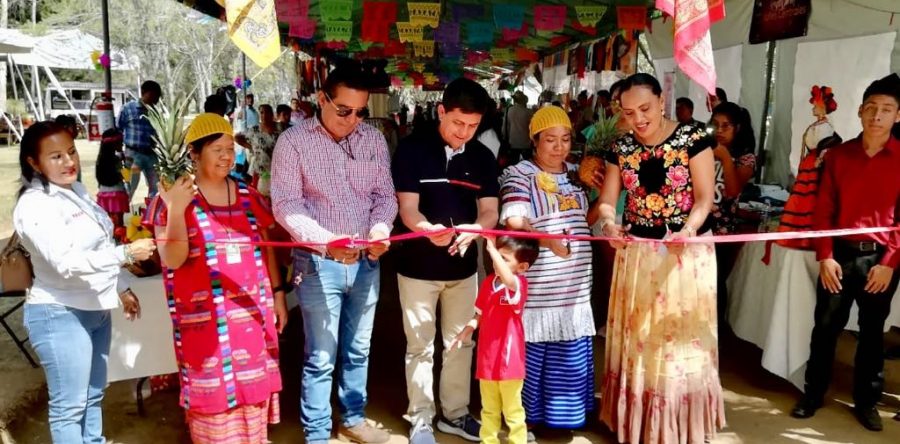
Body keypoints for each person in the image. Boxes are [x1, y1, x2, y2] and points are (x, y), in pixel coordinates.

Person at [270, 65, 397, 444]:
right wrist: (327, 241)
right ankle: (318, 432)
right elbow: (287, 206)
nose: (352, 120)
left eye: (360, 112)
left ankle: (354, 417)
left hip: (367, 264)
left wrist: (380, 229)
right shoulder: (293, 143)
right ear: (321, 99)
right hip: (317, 265)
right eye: (344, 110)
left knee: (359, 349)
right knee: (321, 355)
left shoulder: (372, 141)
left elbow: (384, 197)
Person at [145, 113, 287, 443]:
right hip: (205, 325)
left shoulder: (248, 195)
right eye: (217, 149)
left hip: (252, 316)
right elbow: (172, 258)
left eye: (229, 149)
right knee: (214, 406)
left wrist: (278, 293)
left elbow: (266, 250)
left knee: (253, 400)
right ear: (194, 153)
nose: (227, 156)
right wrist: (178, 210)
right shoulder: (170, 198)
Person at [597, 73, 723, 443]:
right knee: (640, 338)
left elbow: (703, 200)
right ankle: (637, 421)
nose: (639, 119)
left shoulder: (693, 138)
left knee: (679, 338)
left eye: (645, 108)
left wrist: (688, 230)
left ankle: (678, 425)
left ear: (662, 101)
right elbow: (607, 201)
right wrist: (608, 224)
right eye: (629, 112)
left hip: (685, 256)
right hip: (637, 254)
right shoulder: (621, 148)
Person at [14, 121, 154, 443]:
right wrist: (127, 253)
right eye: (56, 156)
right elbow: (67, 262)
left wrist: (122, 287)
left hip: (95, 311)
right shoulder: (34, 205)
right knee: (69, 408)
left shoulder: (74, 191)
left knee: (93, 397)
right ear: (33, 163)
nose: (69, 162)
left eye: (71, 152)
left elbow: (99, 247)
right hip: (60, 316)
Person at [790, 75, 900, 432]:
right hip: (838, 256)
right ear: (859, 111)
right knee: (825, 327)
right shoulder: (838, 155)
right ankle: (813, 393)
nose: (877, 116)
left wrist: (888, 264)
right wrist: (825, 254)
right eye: (870, 108)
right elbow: (824, 208)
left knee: (871, 332)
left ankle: (866, 401)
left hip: (880, 260)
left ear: (898, 116)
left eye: (886, 110)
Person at [391, 78, 497, 444]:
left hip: (463, 271)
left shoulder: (482, 157)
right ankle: (420, 417)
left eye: (472, 126)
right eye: (457, 123)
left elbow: (490, 212)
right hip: (417, 269)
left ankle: (455, 414)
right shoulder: (411, 150)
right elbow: (407, 209)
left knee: (460, 342)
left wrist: (476, 230)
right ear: (441, 111)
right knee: (420, 345)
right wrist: (425, 228)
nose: (464, 132)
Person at [499, 106, 600, 436]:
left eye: (566, 139)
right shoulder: (519, 174)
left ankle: (566, 417)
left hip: (576, 281)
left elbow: (589, 218)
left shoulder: (577, 174)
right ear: (534, 141)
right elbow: (515, 222)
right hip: (542, 283)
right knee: (536, 351)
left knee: (570, 350)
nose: (559, 147)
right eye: (550, 140)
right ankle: (529, 418)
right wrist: (548, 242)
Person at [449, 235, 540, 444]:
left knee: (513, 410)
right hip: (487, 359)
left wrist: (490, 248)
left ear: (523, 267)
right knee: (488, 409)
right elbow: (480, 313)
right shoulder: (489, 282)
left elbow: (510, 279)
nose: (496, 261)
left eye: (504, 258)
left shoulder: (518, 284)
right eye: (497, 256)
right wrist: (467, 329)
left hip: (510, 362)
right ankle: (488, 441)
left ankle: (518, 441)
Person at [117, 80, 161, 198]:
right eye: (154, 96)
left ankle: (152, 213)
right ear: (144, 93)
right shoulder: (127, 108)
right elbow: (118, 130)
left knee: (156, 188)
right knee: (129, 187)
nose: (156, 100)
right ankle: (123, 212)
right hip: (132, 154)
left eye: (158, 97)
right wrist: (119, 153)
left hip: (151, 154)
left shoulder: (156, 112)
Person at [237, 104, 279, 196]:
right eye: (262, 112)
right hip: (260, 170)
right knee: (259, 198)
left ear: (272, 114)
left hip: (279, 171)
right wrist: (251, 147)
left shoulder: (280, 128)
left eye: (267, 112)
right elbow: (237, 137)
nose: (264, 115)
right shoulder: (254, 130)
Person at [95, 129, 130, 228]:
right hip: (117, 194)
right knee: (118, 225)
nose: (122, 144)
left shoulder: (100, 160)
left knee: (108, 224)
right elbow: (126, 177)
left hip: (103, 194)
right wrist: (128, 163)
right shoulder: (116, 160)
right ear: (114, 144)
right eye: (120, 142)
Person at [504, 91, 534, 163]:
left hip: (513, 142)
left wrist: (505, 138)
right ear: (524, 101)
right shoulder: (529, 112)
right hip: (526, 143)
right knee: (528, 165)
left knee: (513, 164)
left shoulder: (509, 110)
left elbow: (505, 127)